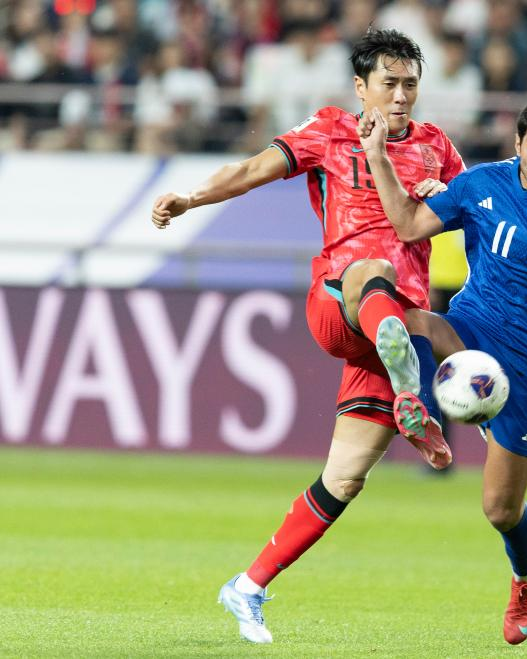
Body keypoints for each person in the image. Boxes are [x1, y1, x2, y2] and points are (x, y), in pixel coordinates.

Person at [149, 29, 464, 644]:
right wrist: (190, 198)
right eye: (389, 84)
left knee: (344, 479)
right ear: (361, 87)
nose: (401, 96)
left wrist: (447, 197)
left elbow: (474, 210)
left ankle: (248, 586)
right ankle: (412, 389)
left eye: (410, 84)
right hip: (339, 303)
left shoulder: (437, 147)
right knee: (373, 271)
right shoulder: (329, 130)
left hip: (390, 330)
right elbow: (251, 170)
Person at [360, 99, 527, 644]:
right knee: (405, 321)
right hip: (469, 329)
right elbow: (408, 225)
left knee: (500, 510)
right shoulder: (480, 184)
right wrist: (377, 155)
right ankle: (417, 409)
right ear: (518, 143)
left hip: (526, 366)